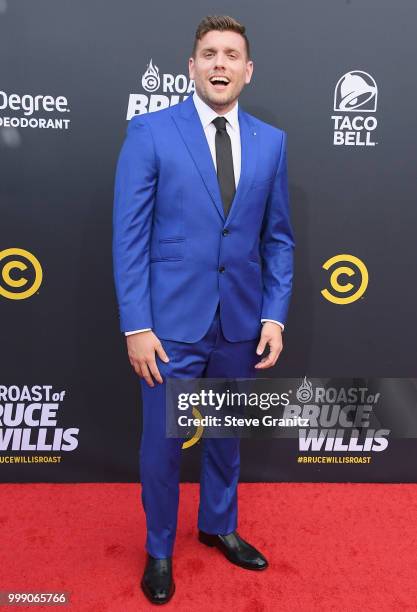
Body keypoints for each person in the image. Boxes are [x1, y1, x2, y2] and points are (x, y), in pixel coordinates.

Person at [113, 14, 295, 605]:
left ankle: (219, 526)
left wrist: (274, 314)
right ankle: (160, 549)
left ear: (248, 70)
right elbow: (130, 236)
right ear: (191, 67)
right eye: (209, 53)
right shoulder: (151, 132)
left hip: (241, 322)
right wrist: (137, 325)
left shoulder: (272, 142)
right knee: (162, 444)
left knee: (226, 438)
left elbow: (278, 239)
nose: (220, 63)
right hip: (169, 326)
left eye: (231, 54)